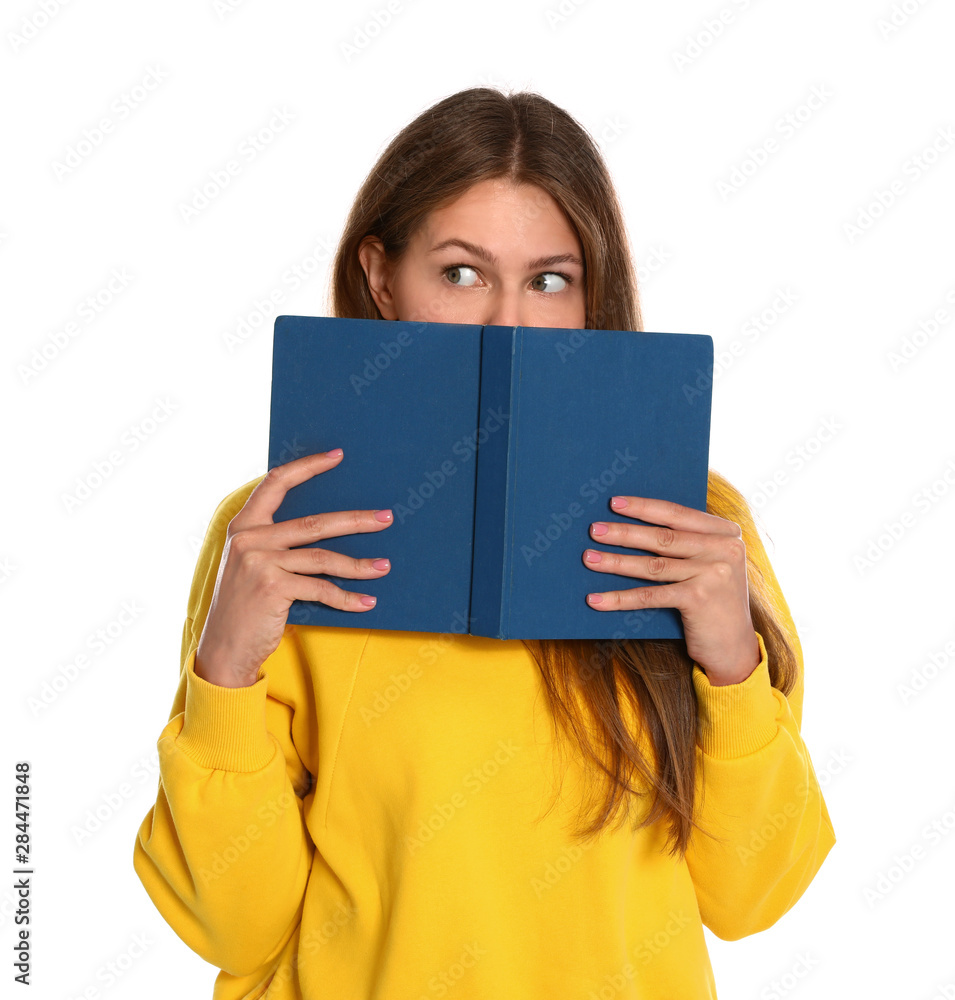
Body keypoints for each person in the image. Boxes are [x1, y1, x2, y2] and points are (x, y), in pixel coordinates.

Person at [133, 87, 835, 999]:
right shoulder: (281, 529)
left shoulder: (693, 529)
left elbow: (751, 896)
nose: (508, 322)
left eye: (550, 279)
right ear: (383, 278)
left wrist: (733, 667)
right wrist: (224, 669)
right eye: (461, 273)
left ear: (592, 296)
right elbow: (233, 923)